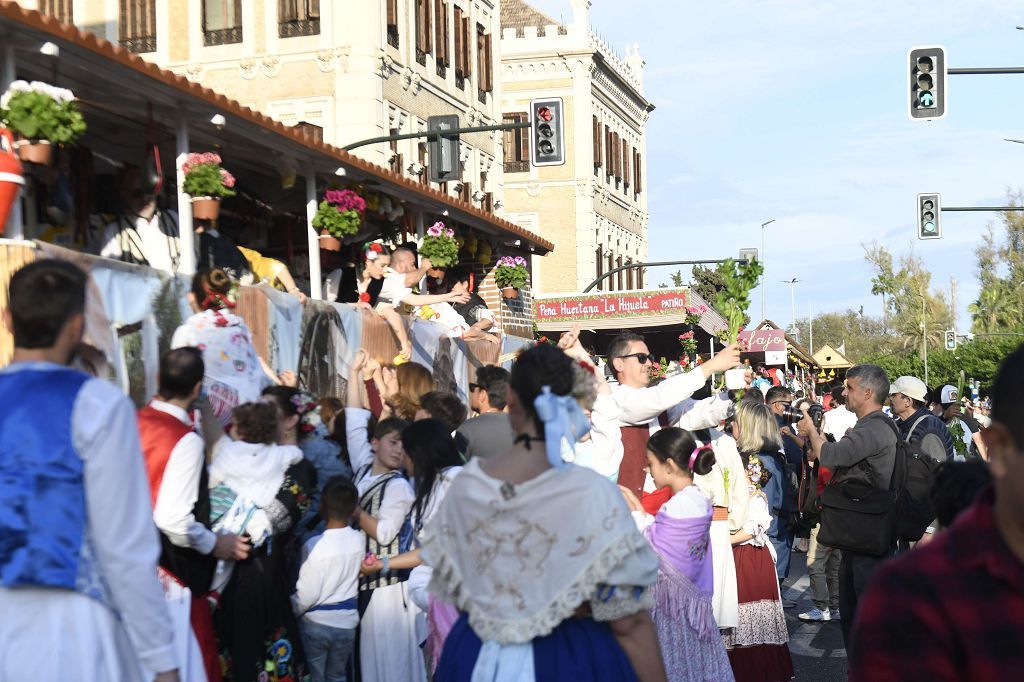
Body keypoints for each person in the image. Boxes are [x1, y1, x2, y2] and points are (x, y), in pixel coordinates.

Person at [421, 343, 666, 681]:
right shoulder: (591, 493)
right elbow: (629, 621)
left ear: (512, 404)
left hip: (481, 654)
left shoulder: (468, 487)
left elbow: (452, 593)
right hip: (568, 657)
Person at [0, 260, 179, 682]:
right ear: (77, 325)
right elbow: (124, 548)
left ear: (8, 319)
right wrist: (161, 657)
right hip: (74, 629)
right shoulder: (99, 405)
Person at [848, 343, 1024, 680]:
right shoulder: (912, 597)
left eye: (898, 395)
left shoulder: (927, 428)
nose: (893, 400)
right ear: (999, 450)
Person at [140, 347, 252, 682]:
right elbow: (173, 520)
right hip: (174, 576)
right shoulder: (184, 441)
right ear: (197, 388)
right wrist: (214, 543)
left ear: (158, 379)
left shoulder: (132, 420)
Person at [213, 386, 316, 682]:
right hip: (227, 576)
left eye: (268, 411)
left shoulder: (299, 468)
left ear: (290, 420)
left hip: (262, 575)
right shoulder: (235, 457)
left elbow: (274, 519)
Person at [621, 428, 735, 682]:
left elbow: (654, 550)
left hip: (674, 614)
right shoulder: (694, 498)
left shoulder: (679, 504)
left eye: (650, 463)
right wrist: (641, 513)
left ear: (669, 465)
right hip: (689, 614)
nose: (646, 470)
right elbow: (666, 537)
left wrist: (633, 514)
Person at [798, 364, 898, 648]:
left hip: (867, 533)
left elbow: (830, 456)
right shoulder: (873, 426)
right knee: (855, 612)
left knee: (864, 617)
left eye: (849, 387)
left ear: (867, 393)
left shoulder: (874, 427)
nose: (843, 392)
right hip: (862, 531)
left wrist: (812, 432)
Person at [360, 419, 465, 673]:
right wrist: (384, 564)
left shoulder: (456, 481)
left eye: (404, 450)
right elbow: (431, 550)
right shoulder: (429, 486)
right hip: (440, 602)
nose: (401, 457)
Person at [608, 331, 742, 512]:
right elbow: (655, 399)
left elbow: (697, 412)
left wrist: (734, 395)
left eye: (649, 357)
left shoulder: (657, 403)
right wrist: (710, 366)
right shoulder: (611, 397)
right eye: (641, 358)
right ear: (619, 363)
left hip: (666, 503)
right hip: (629, 508)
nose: (649, 363)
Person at [344, 366, 421, 682]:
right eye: (393, 442)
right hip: (362, 584)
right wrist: (353, 373)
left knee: (386, 667)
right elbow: (352, 422)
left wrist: (355, 513)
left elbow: (386, 532)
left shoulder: (398, 486)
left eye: (403, 444)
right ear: (375, 443)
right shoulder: (363, 468)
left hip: (387, 589)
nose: (398, 449)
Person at [205, 401, 304, 595]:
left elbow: (211, 479)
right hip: (250, 519)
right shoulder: (277, 454)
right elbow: (296, 454)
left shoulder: (227, 452)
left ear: (239, 430)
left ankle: (211, 594)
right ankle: (215, 594)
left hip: (222, 514)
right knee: (226, 571)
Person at [723, 423, 794, 682]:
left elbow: (755, 527)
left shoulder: (754, 495)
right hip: (736, 557)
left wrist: (722, 539)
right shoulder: (736, 495)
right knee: (735, 617)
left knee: (749, 617)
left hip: (750, 558)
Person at [170, 268, 273, 426]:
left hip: (209, 419)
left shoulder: (188, 332)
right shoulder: (240, 328)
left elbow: (177, 381)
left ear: (192, 297)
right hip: (249, 416)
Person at [292, 477, 364, 682]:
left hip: (316, 623)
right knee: (337, 676)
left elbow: (308, 593)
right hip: (347, 624)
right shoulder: (358, 540)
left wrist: (291, 608)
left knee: (315, 677)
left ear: (321, 507)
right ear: (353, 510)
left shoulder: (314, 545)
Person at [99, 177, 182, 271]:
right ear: (126, 196)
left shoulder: (173, 219)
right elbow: (109, 273)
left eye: (148, 191)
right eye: (137, 194)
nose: (144, 198)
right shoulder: (115, 230)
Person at [889, 376, 954, 463]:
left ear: (907, 401)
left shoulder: (929, 430)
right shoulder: (905, 423)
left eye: (894, 395)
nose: (890, 398)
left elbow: (937, 472)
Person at [456, 365, 515, 459]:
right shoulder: (521, 428)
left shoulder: (467, 429)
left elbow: (457, 469)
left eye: (472, 387)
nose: (471, 392)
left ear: (482, 395)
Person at [445, 266, 500, 344]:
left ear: (465, 284)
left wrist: (476, 327)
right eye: (447, 283)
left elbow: (488, 318)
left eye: (452, 283)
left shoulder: (471, 300)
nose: (449, 286)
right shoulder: (452, 303)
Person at [937, 384, 987, 461]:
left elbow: (978, 441)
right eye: (951, 405)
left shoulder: (966, 420)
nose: (956, 408)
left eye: (957, 405)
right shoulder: (935, 422)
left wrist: (985, 463)